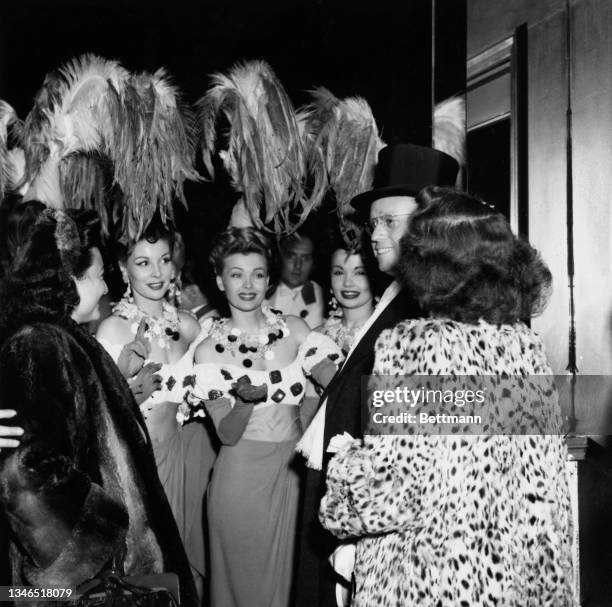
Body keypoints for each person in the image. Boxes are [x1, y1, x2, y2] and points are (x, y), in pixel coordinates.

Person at [320, 188, 574, 606]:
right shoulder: (526, 350)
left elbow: (388, 495)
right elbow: (545, 495)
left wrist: (344, 464)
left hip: (429, 580)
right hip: (506, 582)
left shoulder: (414, 349)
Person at [0, 204, 197, 606]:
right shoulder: (38, 343)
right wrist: (104, 544)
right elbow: (22, 475)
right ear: (64, 279)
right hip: (84, 587)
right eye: (96, 277)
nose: (106, 289)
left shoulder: (62, 337)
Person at [295, 143, 459, 607]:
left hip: (409, 554)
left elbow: (468, 419)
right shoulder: (403, 298)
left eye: (390, 221)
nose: (375, 235)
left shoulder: (439, 311)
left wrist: (349, 480)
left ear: (431, 227)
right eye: (374, 223)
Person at [192, 227, 343, 607]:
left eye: (258, 274)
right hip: (239, 481)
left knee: (292, 588)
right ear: (218, 280)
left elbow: (334, 383)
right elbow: (226, 435)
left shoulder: (295, 330)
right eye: (236, 274)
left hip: (292, 476)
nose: (248, 285)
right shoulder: (208, 351)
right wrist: (244, 401)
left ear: (268, 278)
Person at [97, 219, 214, 601]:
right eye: (143, 262)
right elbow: (101, 415)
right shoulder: (112, 330)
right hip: (143, 466)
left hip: (190, 461)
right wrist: (130, 391)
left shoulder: (191, 326)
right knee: (150, 571)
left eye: (163, 260)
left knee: (194, 567)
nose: (157, 272)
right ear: (122, 268)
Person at [265, 232, 324, 329]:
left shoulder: (323, 297)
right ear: (280, 258)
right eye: (291, 256)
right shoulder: (262, 295)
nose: (298, 265)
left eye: (305, 258)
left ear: (313, 263)